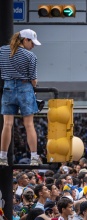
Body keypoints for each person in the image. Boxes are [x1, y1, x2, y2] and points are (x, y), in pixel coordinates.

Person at [0, 29, 41, 166]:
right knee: (29, 125)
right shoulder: (31, 56)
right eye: (32, 42)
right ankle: (34, 157)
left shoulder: (2, 51)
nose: (33, 46)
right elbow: (33, 80)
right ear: (25, 40)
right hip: (25, 89)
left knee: (7, 124)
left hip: (8, 88)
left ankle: (3, 157)